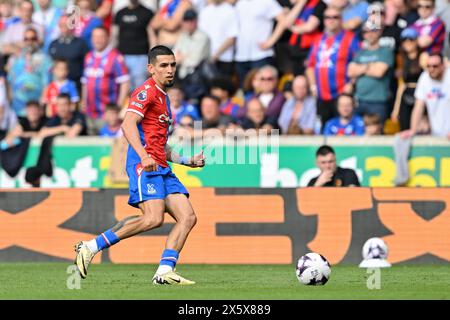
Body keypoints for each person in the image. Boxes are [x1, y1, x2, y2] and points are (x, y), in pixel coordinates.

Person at [74, 45, 206, 285]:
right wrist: (144, 156)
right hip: (145, 166)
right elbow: (127, 125)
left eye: (173, 65)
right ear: (151, 68)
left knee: (187, 217)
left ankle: (165, 271)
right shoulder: (145, 92)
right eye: (164, 65)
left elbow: (161, 145)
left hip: (161, 166)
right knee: (153, 219)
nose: (170, 70)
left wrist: (188, 161)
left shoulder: (164, 97)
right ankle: (91, 246)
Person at [306, 5, 360, 125]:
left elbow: (359, 62)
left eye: (335, 17)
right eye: (327, 17)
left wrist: (351, 83)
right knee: (324, 130)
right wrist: (313, 86)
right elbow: (310, 65)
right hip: (321, 95)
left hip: (341, 95)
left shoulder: (350, 38)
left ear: (341, 19)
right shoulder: (318, 39)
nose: (331, 20)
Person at [81, 26, 130, 135]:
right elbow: (85, 83)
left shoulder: (115, 57)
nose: (97, 40)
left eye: (101, 37)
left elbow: (125, 82)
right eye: (95, 37)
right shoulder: (88, 57)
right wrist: (84, 101)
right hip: (90, 113)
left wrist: (119, 105)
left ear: (107, 38)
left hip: (107, 114)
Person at [348, 20, 394, 123]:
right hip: (359, 100)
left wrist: (360, 68)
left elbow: (379, 72)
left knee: (376, 134)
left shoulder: (385, 51)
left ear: (379, 32)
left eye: (373, 31)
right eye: (366, 31)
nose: (369, 34)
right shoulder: (360, 52)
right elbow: (350, 71)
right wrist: (370, 67)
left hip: (377, 102)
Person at [401, 52, 450, 139]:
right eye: (428, 66)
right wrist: (413, 130)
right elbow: (418, 107)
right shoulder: (424, 77)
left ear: (443, 66)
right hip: (437, 134)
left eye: (435, 66)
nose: (431, 69)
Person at [6, 27, 52, 116]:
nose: (29, 42)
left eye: (33, 39)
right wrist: (10, 101)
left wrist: (42, 105)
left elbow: (47, 84)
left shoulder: (45, 59)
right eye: (26, 39)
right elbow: (10, 81)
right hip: (17, 107)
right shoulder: (15, 58)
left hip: (36, 108)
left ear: (37, 40)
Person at [114, 0, 154, 90]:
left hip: (141, 57)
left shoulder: (147, 13)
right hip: (122, 57)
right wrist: (113, 55)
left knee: (140, 91)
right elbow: (114, 36)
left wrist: (152, 59)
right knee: (123, 89)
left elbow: (152, 37)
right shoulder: (120, 13)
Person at [390, 28, 424, 131]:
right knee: (404, 127)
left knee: (422, 127)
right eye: (404, 40)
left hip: (421, 94)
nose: (408, 43)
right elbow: (401, 86)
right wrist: (396, 110)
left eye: (411, 39)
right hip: (406, 95)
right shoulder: (400, 60)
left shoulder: (423, 57)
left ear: (416, 40)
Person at [198, 0, 239, 77]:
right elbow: (201, 35)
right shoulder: (205, 11)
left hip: (224, 59)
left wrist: (215, 55)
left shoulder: (230, 10)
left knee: (223, 87)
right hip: (206, 59)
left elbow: (232, 38)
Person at [48, 15, 90, 88]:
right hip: (57, 88)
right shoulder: (53, 44)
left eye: (66, 25)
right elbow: (49, 66)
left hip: (76, 86)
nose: (63, 28)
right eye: (61, 25)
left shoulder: (80, 43)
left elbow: (87, 66)